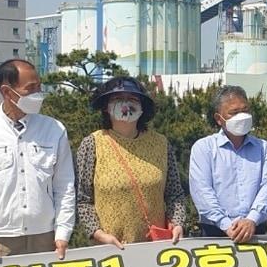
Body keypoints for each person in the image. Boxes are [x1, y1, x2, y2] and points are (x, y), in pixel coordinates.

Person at [0, 58, 74, 261]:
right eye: (31, 89)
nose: (38, 94)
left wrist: (63, 231)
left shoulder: (54, 129)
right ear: (7, 92)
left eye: (39, 86)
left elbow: (65, 186)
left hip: (44, 237)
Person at [76, 77, 186, 247]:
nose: (125, 104)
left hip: (153, 246)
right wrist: (98, 234)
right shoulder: (92, 144)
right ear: (106, 106)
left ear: (143, 106)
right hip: (108, 248)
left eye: (133, 99)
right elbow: (83, 200)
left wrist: (177, 222)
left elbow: (175, 194)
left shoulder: (161, 143)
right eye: (118, 99)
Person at [188, 85, 267, 241]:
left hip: (255, 230)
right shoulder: (204, 148)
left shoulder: (264, 148)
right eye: (234, 113)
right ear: (218, 118)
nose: (241, 116)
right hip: (214, 231)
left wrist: (252, 220)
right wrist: (226, 225)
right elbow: (202, 191)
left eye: (245, 110)